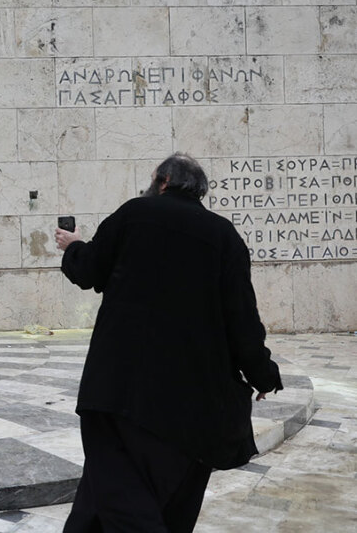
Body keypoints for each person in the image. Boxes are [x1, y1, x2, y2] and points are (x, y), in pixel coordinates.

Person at [54, 153, 284, 533]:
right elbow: (243, 320)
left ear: (163, 181)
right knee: (129, 506)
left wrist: (74, 246)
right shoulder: (224, 236)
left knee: (121, 503)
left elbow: (89, 269)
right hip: (193, 406)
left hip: (119, 393)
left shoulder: (134, 214)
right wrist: (263, 374)